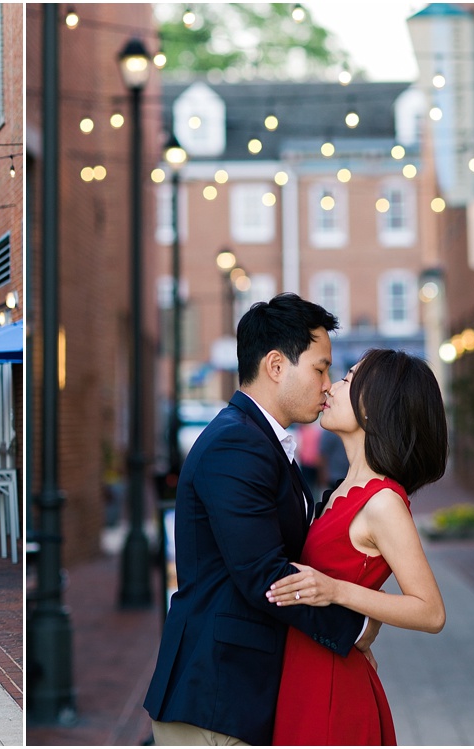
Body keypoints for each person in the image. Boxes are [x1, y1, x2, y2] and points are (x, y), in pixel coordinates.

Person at [144, 293, 377, 746]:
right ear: (275, 365)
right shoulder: (238, 444)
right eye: (320, 368)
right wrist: (357, 629)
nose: (327, 384)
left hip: (236, 695)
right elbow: (265, 576)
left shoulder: (259, 441)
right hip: (216, 697)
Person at [267, 349, 448, 744]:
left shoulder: (383, 501)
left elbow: (431, 611)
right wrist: (363, 621)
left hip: (333, 691)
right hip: (306, 673)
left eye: (347, 379)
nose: (330, 385)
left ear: (373, 406)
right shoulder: (340, 492)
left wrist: (338, 592)